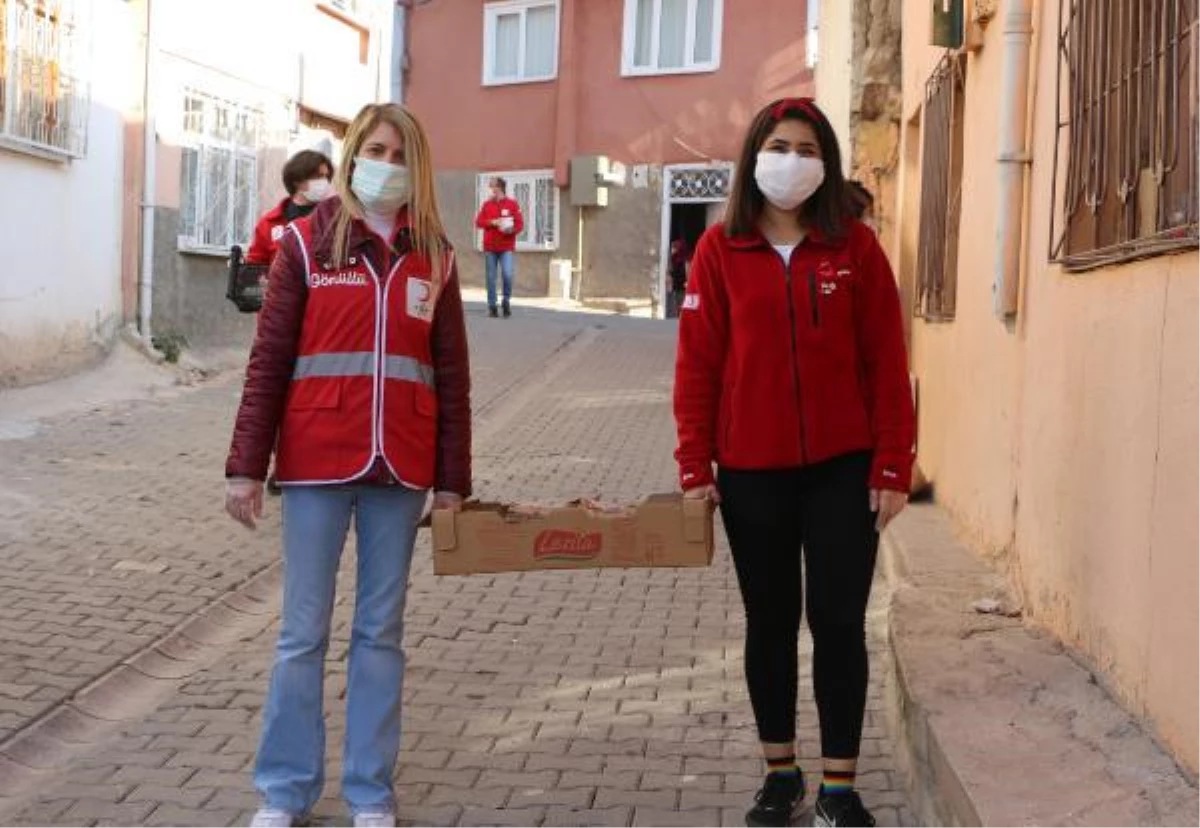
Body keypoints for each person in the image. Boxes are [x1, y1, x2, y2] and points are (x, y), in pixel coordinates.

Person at [224, 103, 471, 828]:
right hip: (314, 465)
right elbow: (268, 363)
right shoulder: (305, 245)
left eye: (399, 153)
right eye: (374, 149)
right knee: (302, 634)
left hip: (401, 470)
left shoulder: (437, 254)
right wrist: (245, 466)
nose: (385, 165)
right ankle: (285, 790)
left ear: (416, 166)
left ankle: (370, 794)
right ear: (353, 153)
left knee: (379, 636)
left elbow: (451, 375)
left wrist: (454, 480)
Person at [673, 97, 914, 828]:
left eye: (808, 150)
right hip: (751, 470)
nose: (793, 160)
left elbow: (886, 359)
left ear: (827, 164)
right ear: (755, 156)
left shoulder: (856, 250)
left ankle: (840, 786)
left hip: (845, 469)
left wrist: (893, 466)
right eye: (780, 146)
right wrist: (694, 468)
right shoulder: (719, 250)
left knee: (839, 622)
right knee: (769, 623)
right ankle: (781, 774)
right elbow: (697, 366)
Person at [245, 149, 335, 265]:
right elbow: (254, 266)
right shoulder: (269, 223)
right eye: (318, 176)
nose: (324, 182)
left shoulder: (333, 219)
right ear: (297, 180)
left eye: (326, 177)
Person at [474, 176, 524, 317]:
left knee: (507, 275)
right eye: (490, 186)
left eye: (493, 186)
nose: (491, 189)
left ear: (500, 188)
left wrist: (511, 230)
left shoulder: (512, 204)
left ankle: (506, 300)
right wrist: (492, 222)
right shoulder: (487, 205)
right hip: (490, 247)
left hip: (506, 246)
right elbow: (478, 222)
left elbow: (520, 224)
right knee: (491, 277)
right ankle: (492, 305)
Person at [668, 236, 692, 317]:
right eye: (672, 247)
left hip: (684, 286)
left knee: (684, 305)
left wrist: (688, 282)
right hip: (676, 286)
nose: (672, 249)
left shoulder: (686, 258)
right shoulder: (673, 258)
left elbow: (688, 271)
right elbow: (672, 271)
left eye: (674, 247)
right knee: (677, 305)